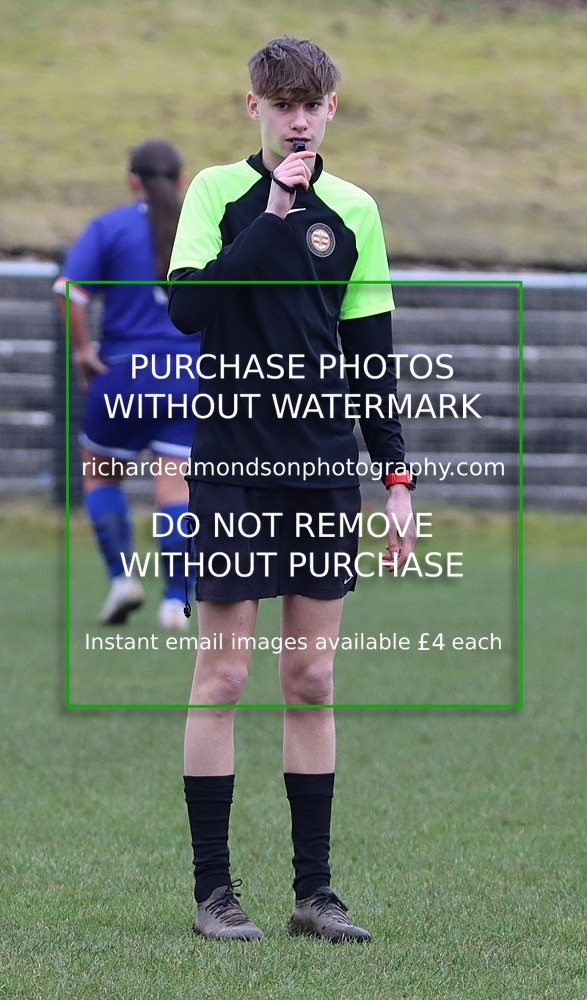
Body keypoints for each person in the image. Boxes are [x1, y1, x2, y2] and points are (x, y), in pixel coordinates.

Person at [168, 37, 417, 940]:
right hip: (233, 461)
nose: (298, 117)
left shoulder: (355, 211)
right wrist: (273, 213)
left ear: (332, 107)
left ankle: (314, 894)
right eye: (282, 103)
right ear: (254, 108)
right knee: (224, 673)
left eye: (311, 102)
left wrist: (394, 476)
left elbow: (371, 357)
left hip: (319, 467)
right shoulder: (215, 195)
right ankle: (214, 894)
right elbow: (190, 309)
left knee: (310, 677)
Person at [54, 139, 200, 631]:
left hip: (124, 373)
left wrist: (82, 349)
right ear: (182, 180)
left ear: (131, 180)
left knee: (100, 473)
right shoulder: (206, 228)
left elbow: (68, 290)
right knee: (176, 487)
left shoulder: (110, 226)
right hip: (189, 377)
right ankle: (175, 598)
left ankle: (122, 579)